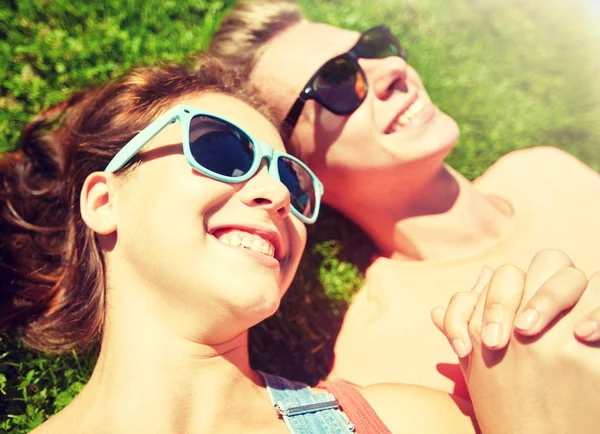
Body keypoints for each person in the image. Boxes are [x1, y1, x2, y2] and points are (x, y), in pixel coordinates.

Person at [2, 55, 599, 433]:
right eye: (223, 151)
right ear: (105, 200)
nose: (276, 192)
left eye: (291, 176)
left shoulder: (409, 418)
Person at [207, 0, 600, 395]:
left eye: (373, 47)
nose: (393, 68)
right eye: (337, 81)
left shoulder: (542, 167)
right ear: (295, 170)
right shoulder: (383, 362)